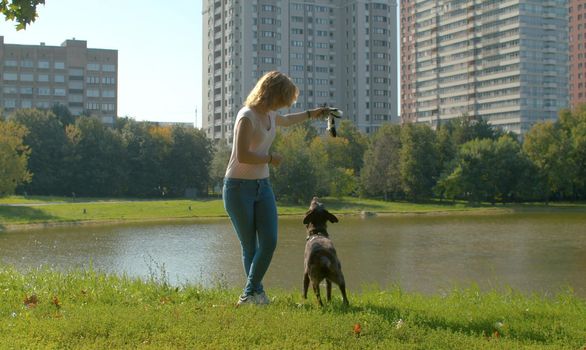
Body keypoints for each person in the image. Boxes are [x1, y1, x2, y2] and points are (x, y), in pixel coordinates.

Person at [223, 71, 327, 306]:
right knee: (250, 246)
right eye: (284, 98)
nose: (285, 104)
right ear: (272, 93)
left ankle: (249, 293)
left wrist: (313, 114)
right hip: (238, 188)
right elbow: (242, 155)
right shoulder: (247, 116)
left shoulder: (270, 114)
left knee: (269, 241)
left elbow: (288, 120)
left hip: (263, 186)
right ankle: (254, 294)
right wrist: (270, 159)